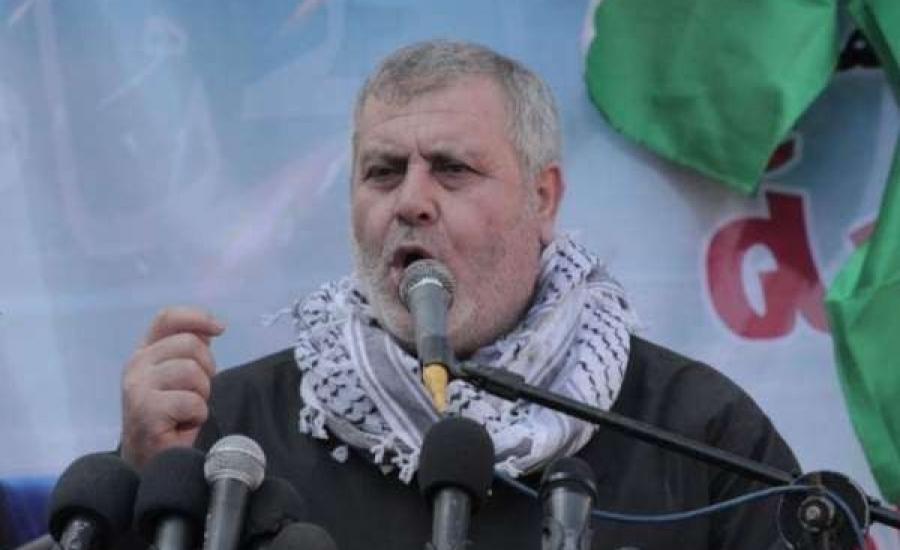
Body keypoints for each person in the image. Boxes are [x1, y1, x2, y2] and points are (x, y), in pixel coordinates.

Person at [119, 40, 798, 549]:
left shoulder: (694, 433)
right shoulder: (235, 432)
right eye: (383, 172)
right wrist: (142, 478)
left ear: (543, 198)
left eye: (452, 170)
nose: (411, 201)